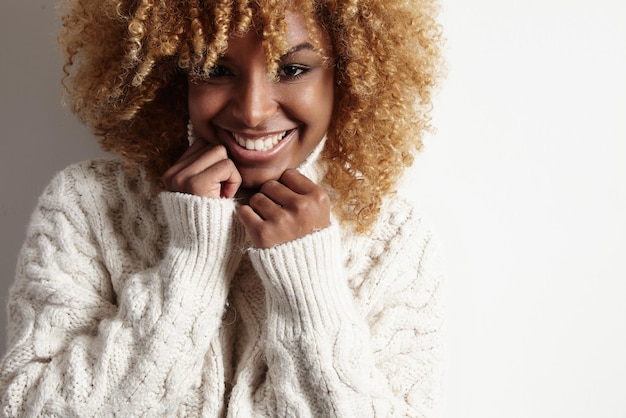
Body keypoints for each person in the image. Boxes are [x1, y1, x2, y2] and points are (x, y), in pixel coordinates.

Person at [0, 0, 444, 416]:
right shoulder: (87, 204)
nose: (252, 111)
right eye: (216, 69)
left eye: (291, 69)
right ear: (175, 77)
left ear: (346, 77)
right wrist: (193, 264)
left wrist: (310, 288)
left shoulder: (390, 235)